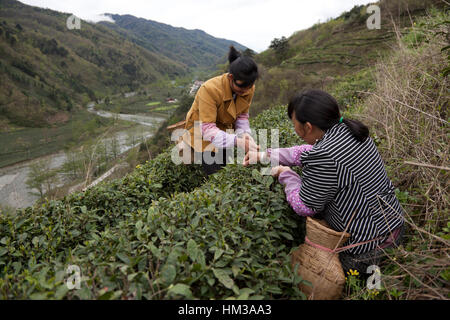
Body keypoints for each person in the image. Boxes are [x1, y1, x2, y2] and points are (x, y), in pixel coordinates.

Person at [244, 89, 405, 276]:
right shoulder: (351, 131)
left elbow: (304, 205)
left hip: (370, 250)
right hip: (395, 226)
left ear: (308, 126)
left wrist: (285, 174)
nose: (295, 130)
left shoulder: (324, 156)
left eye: (294, 124)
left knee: (302, 272)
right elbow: (305, 152)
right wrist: (266, 155)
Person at [180, 46, 259, 175]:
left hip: (224, 130)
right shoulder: (209, 89)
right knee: (214, 173)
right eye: (241, 87)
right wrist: (237, 141)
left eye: (249, 86)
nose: (245, 91)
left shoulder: (248, 88)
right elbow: (208, 129)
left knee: (226, 167)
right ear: (230, 78)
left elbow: (242, 116)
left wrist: (244, 134)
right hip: (202, 131)